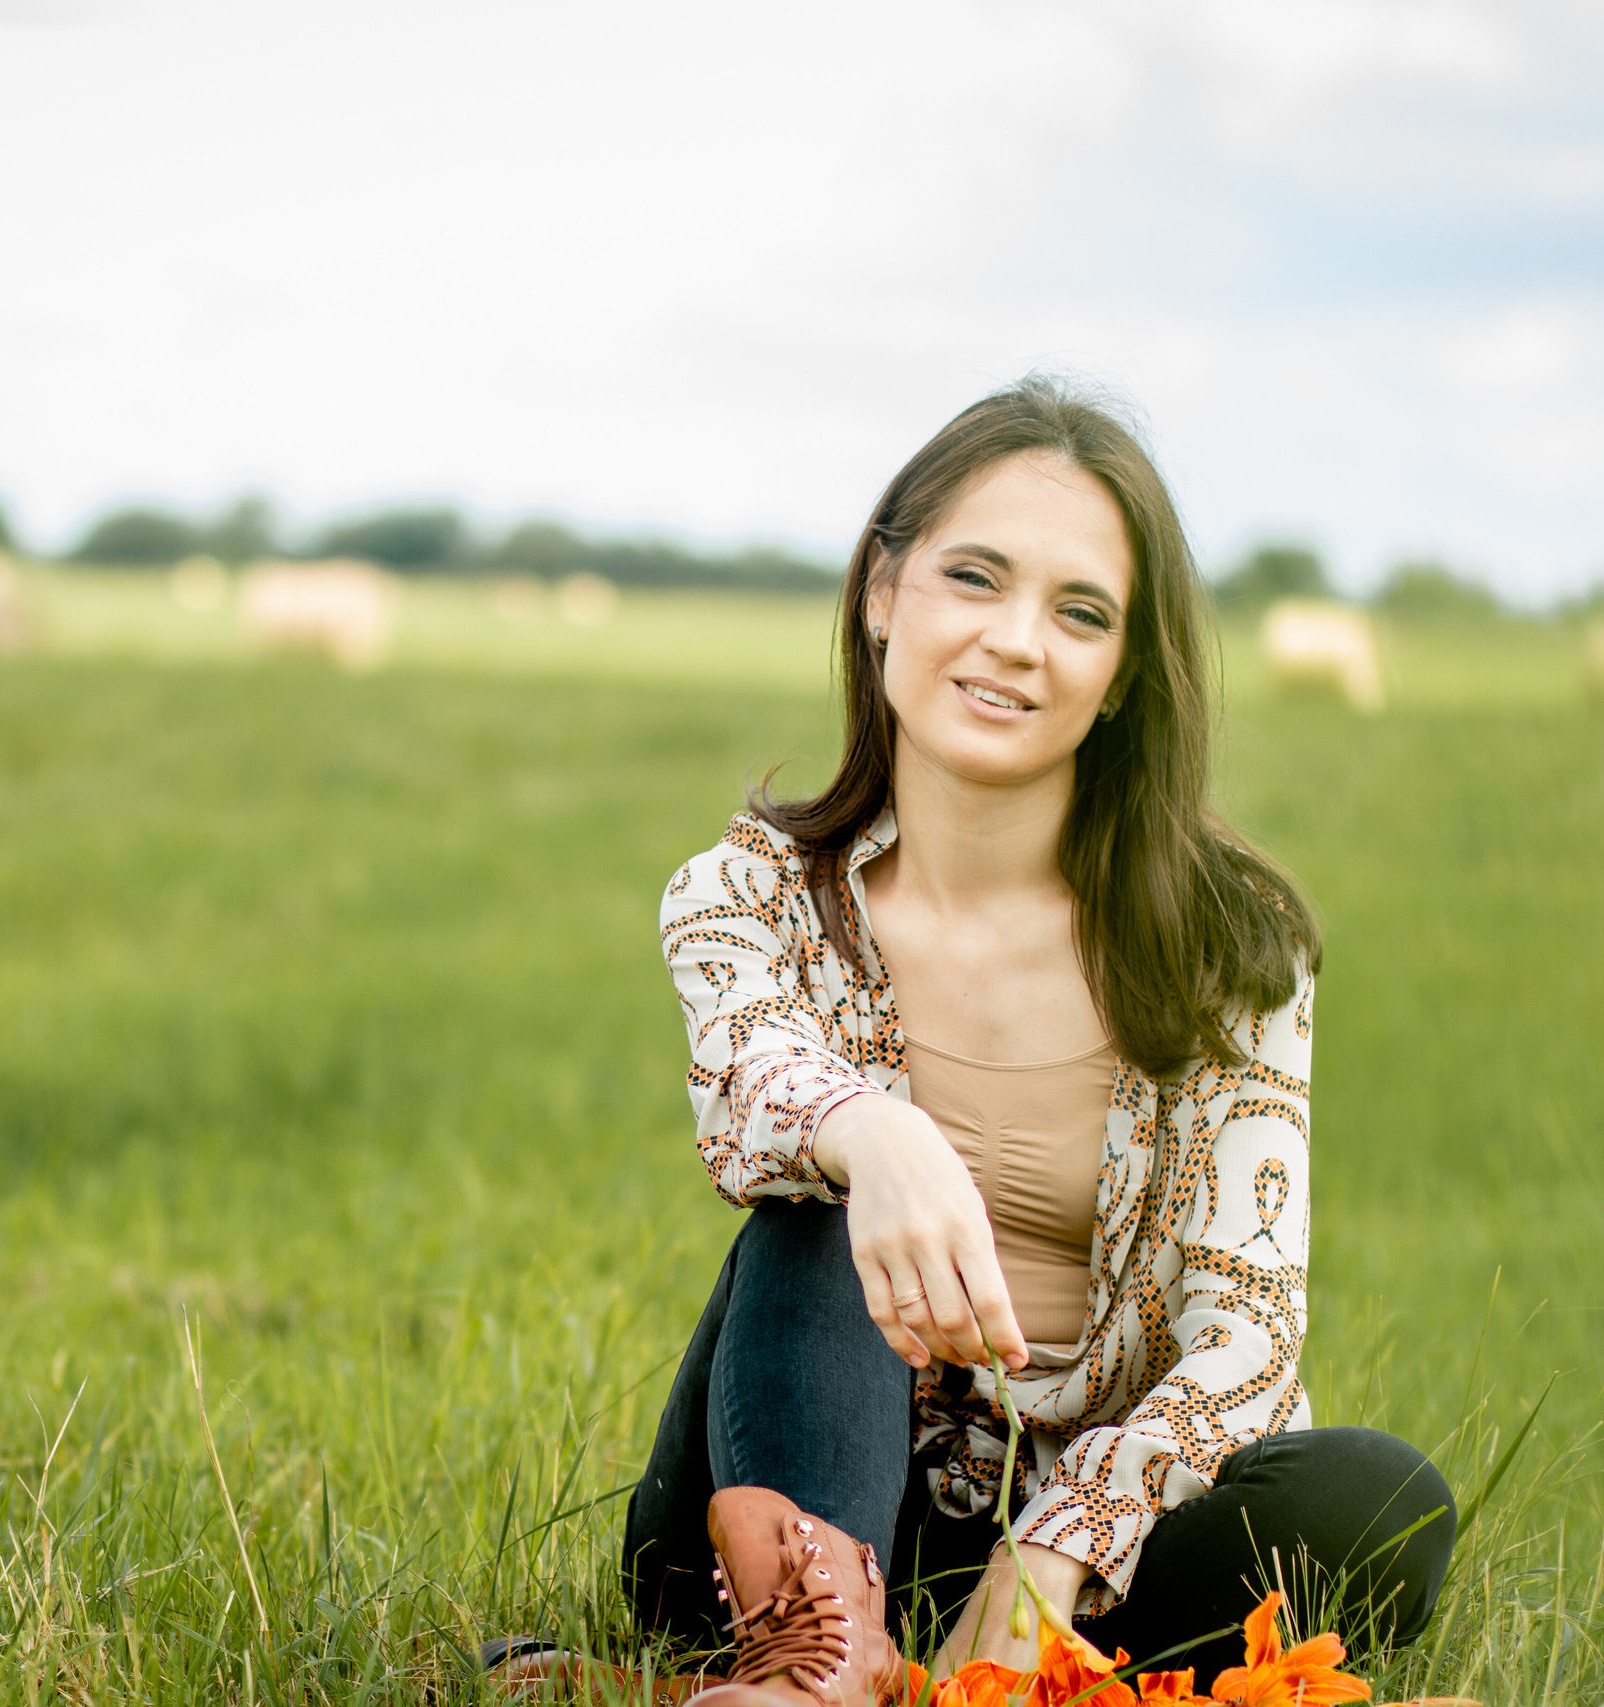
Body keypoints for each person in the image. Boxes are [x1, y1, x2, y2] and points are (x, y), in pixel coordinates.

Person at [491, 378, 1455, 1706]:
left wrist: (1052, 1553)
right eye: (975, 578)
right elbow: (754, 1082)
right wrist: (879, 1133)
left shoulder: (1236, 939)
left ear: (1121, 676)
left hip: (1095, 1547)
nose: (1016, 642)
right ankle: (816, 1667)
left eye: (1080, 613)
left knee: (1380, 1499)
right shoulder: (753, 891)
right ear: (884, 591)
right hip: (796, 1515)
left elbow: (1248, 1331)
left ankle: (966, 1675)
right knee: (815, 1205)